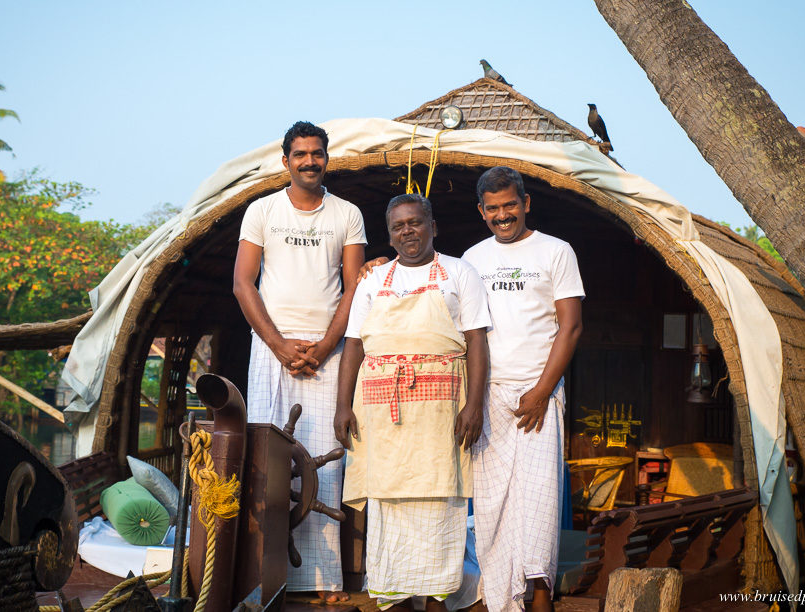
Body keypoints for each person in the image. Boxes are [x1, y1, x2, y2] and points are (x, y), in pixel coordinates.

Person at [334, 194, 490, 611]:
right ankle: (394, 599)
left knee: (440, 502)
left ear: (433, 227)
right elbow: (353, 345)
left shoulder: (460, 272)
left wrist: (473, 405)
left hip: (441, 413)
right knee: (387, 505)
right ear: (390, 234)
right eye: (399, 226)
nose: (408, 231)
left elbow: (476, 340)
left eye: (416, 223)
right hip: (381, 415)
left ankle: (437, 599)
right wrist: (342, 405)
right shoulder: (372, 281)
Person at [232, 121, 366, 602]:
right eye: (301, 154)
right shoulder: (261, 210)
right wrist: (278, 344)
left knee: (324, 463)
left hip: (327, 353)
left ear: (328, 158)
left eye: (318, 154)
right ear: (285, 161)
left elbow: (355, 288)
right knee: (269, 463)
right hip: (273, 350)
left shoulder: (347, 214)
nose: (310, 161)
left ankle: (323, 581)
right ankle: (266, 576)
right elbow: (243, 284)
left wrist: (329, 344)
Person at [461, 166, 583, 612]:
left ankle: (539, 591)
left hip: (539, 393)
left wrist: (542, 390)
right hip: (488, 395)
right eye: (492, 208)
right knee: (492, 504)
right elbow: (466, 330)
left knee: (537, 498)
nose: (503, 215)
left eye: (510, 205)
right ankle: (498, 594)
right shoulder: (472, 259)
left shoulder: (556, 251)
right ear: (481, 212)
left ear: (526, 203)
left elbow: (570, 327)